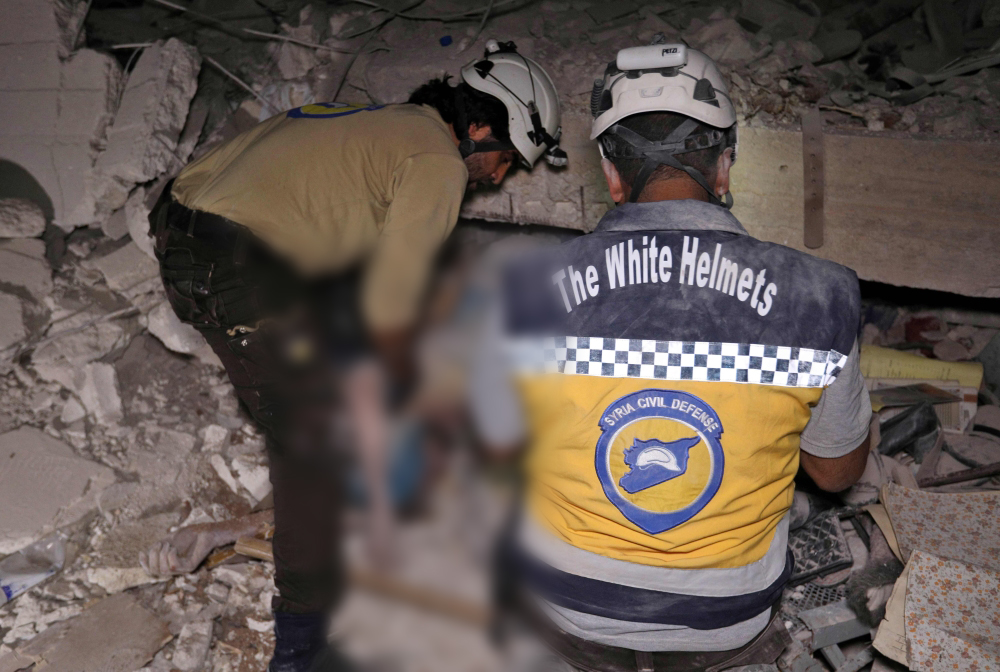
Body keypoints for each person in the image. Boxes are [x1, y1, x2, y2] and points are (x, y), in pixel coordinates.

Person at [140, 39, 564, 672]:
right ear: (478, 126)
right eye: (504, 158)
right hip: (237, 268)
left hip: (182, 236)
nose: (499, 176)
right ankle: (301, 650)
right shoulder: (437, 160)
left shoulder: (375, 127)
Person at [485, 43, 872, 671]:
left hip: (564, 611)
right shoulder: (818, 295)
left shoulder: (521, 288)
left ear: (610, 174)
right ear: (724, 168)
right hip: (725, 622)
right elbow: (838, 473)